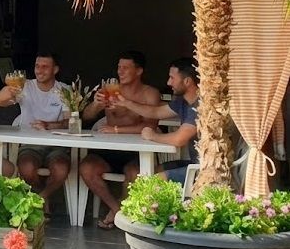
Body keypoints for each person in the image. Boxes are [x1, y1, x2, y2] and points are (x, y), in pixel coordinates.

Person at [79, 50, 161, 229]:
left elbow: (150, 127)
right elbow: (85, 117)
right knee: (86, 168)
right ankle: (117, 210)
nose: (120, 72)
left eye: (126, 68)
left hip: (136, 150)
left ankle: (120, 211)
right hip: (109, 150)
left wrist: (117, 129)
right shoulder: (110, 90)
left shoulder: (150, 94)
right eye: (119, 67)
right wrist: (96, 104)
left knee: (135, 173)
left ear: (139, 71)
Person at [114, 57, 200, 184]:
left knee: (151, 182)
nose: (168, 83)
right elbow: (156, 112)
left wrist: (153, 136)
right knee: (148, 173)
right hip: (194, 164)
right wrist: (126, 103)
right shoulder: (183, 102)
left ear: (187, 81)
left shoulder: (200, 106)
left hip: (206, 170)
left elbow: (179, 139)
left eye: (172, 78)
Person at [11, 53, 71, 213]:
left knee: (61, 168)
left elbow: (69, 123)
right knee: (27, 167)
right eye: (37, 66)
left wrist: (49, 125)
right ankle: (42, 196)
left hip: (56, 144)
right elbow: (5, 102)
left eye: (45, 66)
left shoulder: (64, 90)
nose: (39, 70)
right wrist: (9, 92)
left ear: (55, 69)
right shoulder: (24, 86)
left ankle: (40, 197)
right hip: (30, 144)